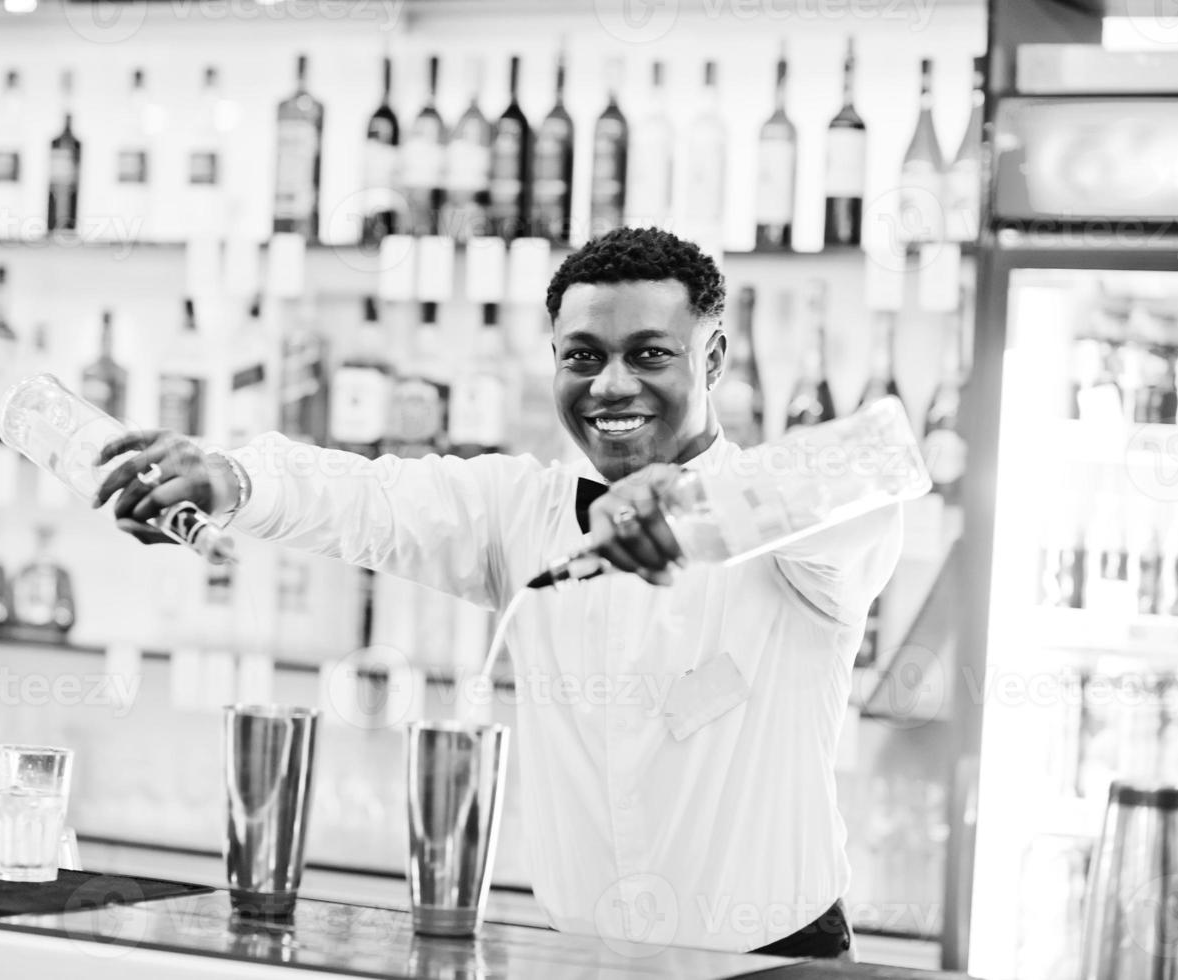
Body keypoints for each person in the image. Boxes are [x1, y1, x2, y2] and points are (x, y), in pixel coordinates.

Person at [94, 227, 901, 958]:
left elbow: (874, 472)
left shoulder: (798, 537)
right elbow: (366, 499)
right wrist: (234, 477)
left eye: (649, 354)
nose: (610, 385)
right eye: (581, 356)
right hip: (578, 956)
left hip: (775, 957)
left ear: (714, 358)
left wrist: (696, 511)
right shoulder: (521, 511)